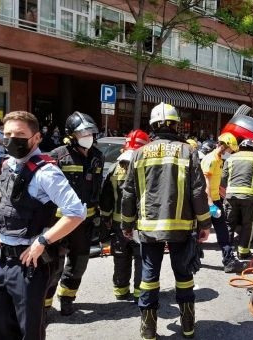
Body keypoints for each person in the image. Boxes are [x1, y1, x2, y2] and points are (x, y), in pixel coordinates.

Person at [0, 111, 85, 340]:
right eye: (7, 134)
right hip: (1, 260)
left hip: (28, 263)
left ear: (37, 137)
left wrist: (43, 241)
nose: (11, 139)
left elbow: (76, 212)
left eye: (20, 134)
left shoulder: (46, 171)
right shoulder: (9, 165)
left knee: (29, 331)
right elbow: (5, 205)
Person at [121, 102, 211, 340]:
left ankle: (148, 330)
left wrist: (127, 224)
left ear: (152, 125)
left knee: (149, 278)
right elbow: (198, 192)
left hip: (149, 229)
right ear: (175, 125)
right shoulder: (187, 151)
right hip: (182, 228)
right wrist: (204, 224)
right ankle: (188, 327)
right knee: (183, 276)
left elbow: (128, 192)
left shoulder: (139, 153)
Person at [44, 111, 104, 315]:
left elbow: (99, 188)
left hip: (85, 223)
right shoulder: (57, 156)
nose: (89, 137)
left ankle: (68, 298)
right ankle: (44, 305)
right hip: (59, 221)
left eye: (91, 133)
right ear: (71, 135)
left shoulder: (98, 156)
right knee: (54, 264)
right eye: (83, 133)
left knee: (79, 263)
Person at [100, 129, 149, 301]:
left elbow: (105, 198)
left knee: (121, 257)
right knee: (141, 259)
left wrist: (106, 218)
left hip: (118, 224)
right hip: (140, 225)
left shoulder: (114, 168)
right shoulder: (147, 169)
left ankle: (120, 291)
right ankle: (139, 293)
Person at [221, 138, 253, 260]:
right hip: (249, 197)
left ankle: (227, 252)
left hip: (231, 196)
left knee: (229, 224)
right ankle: (243, 252)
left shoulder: (231, 158)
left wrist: (228, 188)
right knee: (247, 224)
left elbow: (223, 178)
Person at [201, 132, 240, 272]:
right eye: (229, 150)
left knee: (222, 229)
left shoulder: (219, 160)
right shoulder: (210, 160)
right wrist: (211, 204)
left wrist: (225, 196)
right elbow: (205, 184)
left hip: (215, 199)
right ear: (223, 146)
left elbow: (215, 184)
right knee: (199, 230)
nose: (230, 153)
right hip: (206, 201)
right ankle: (193, 256)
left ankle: (228, 259)